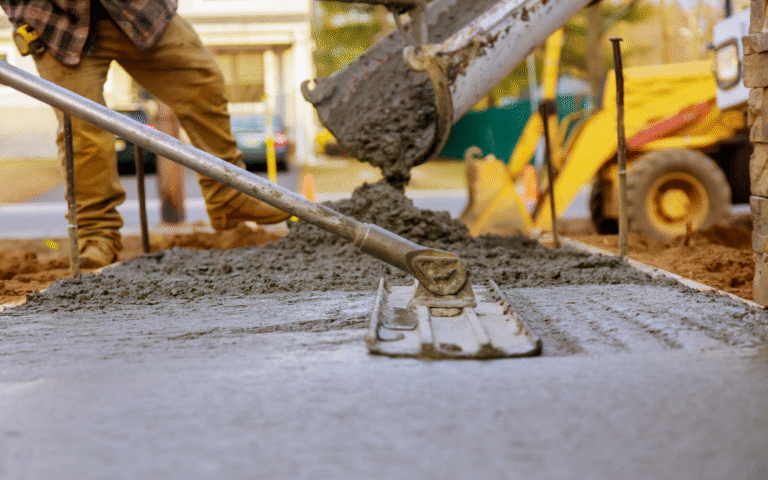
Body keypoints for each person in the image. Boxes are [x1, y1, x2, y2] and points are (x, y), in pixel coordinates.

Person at [0, 0, 290, 268]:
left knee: (202, 83)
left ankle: (230, 197)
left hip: (137, 9)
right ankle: (96, 235)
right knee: (82, 132)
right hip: (56, 22)